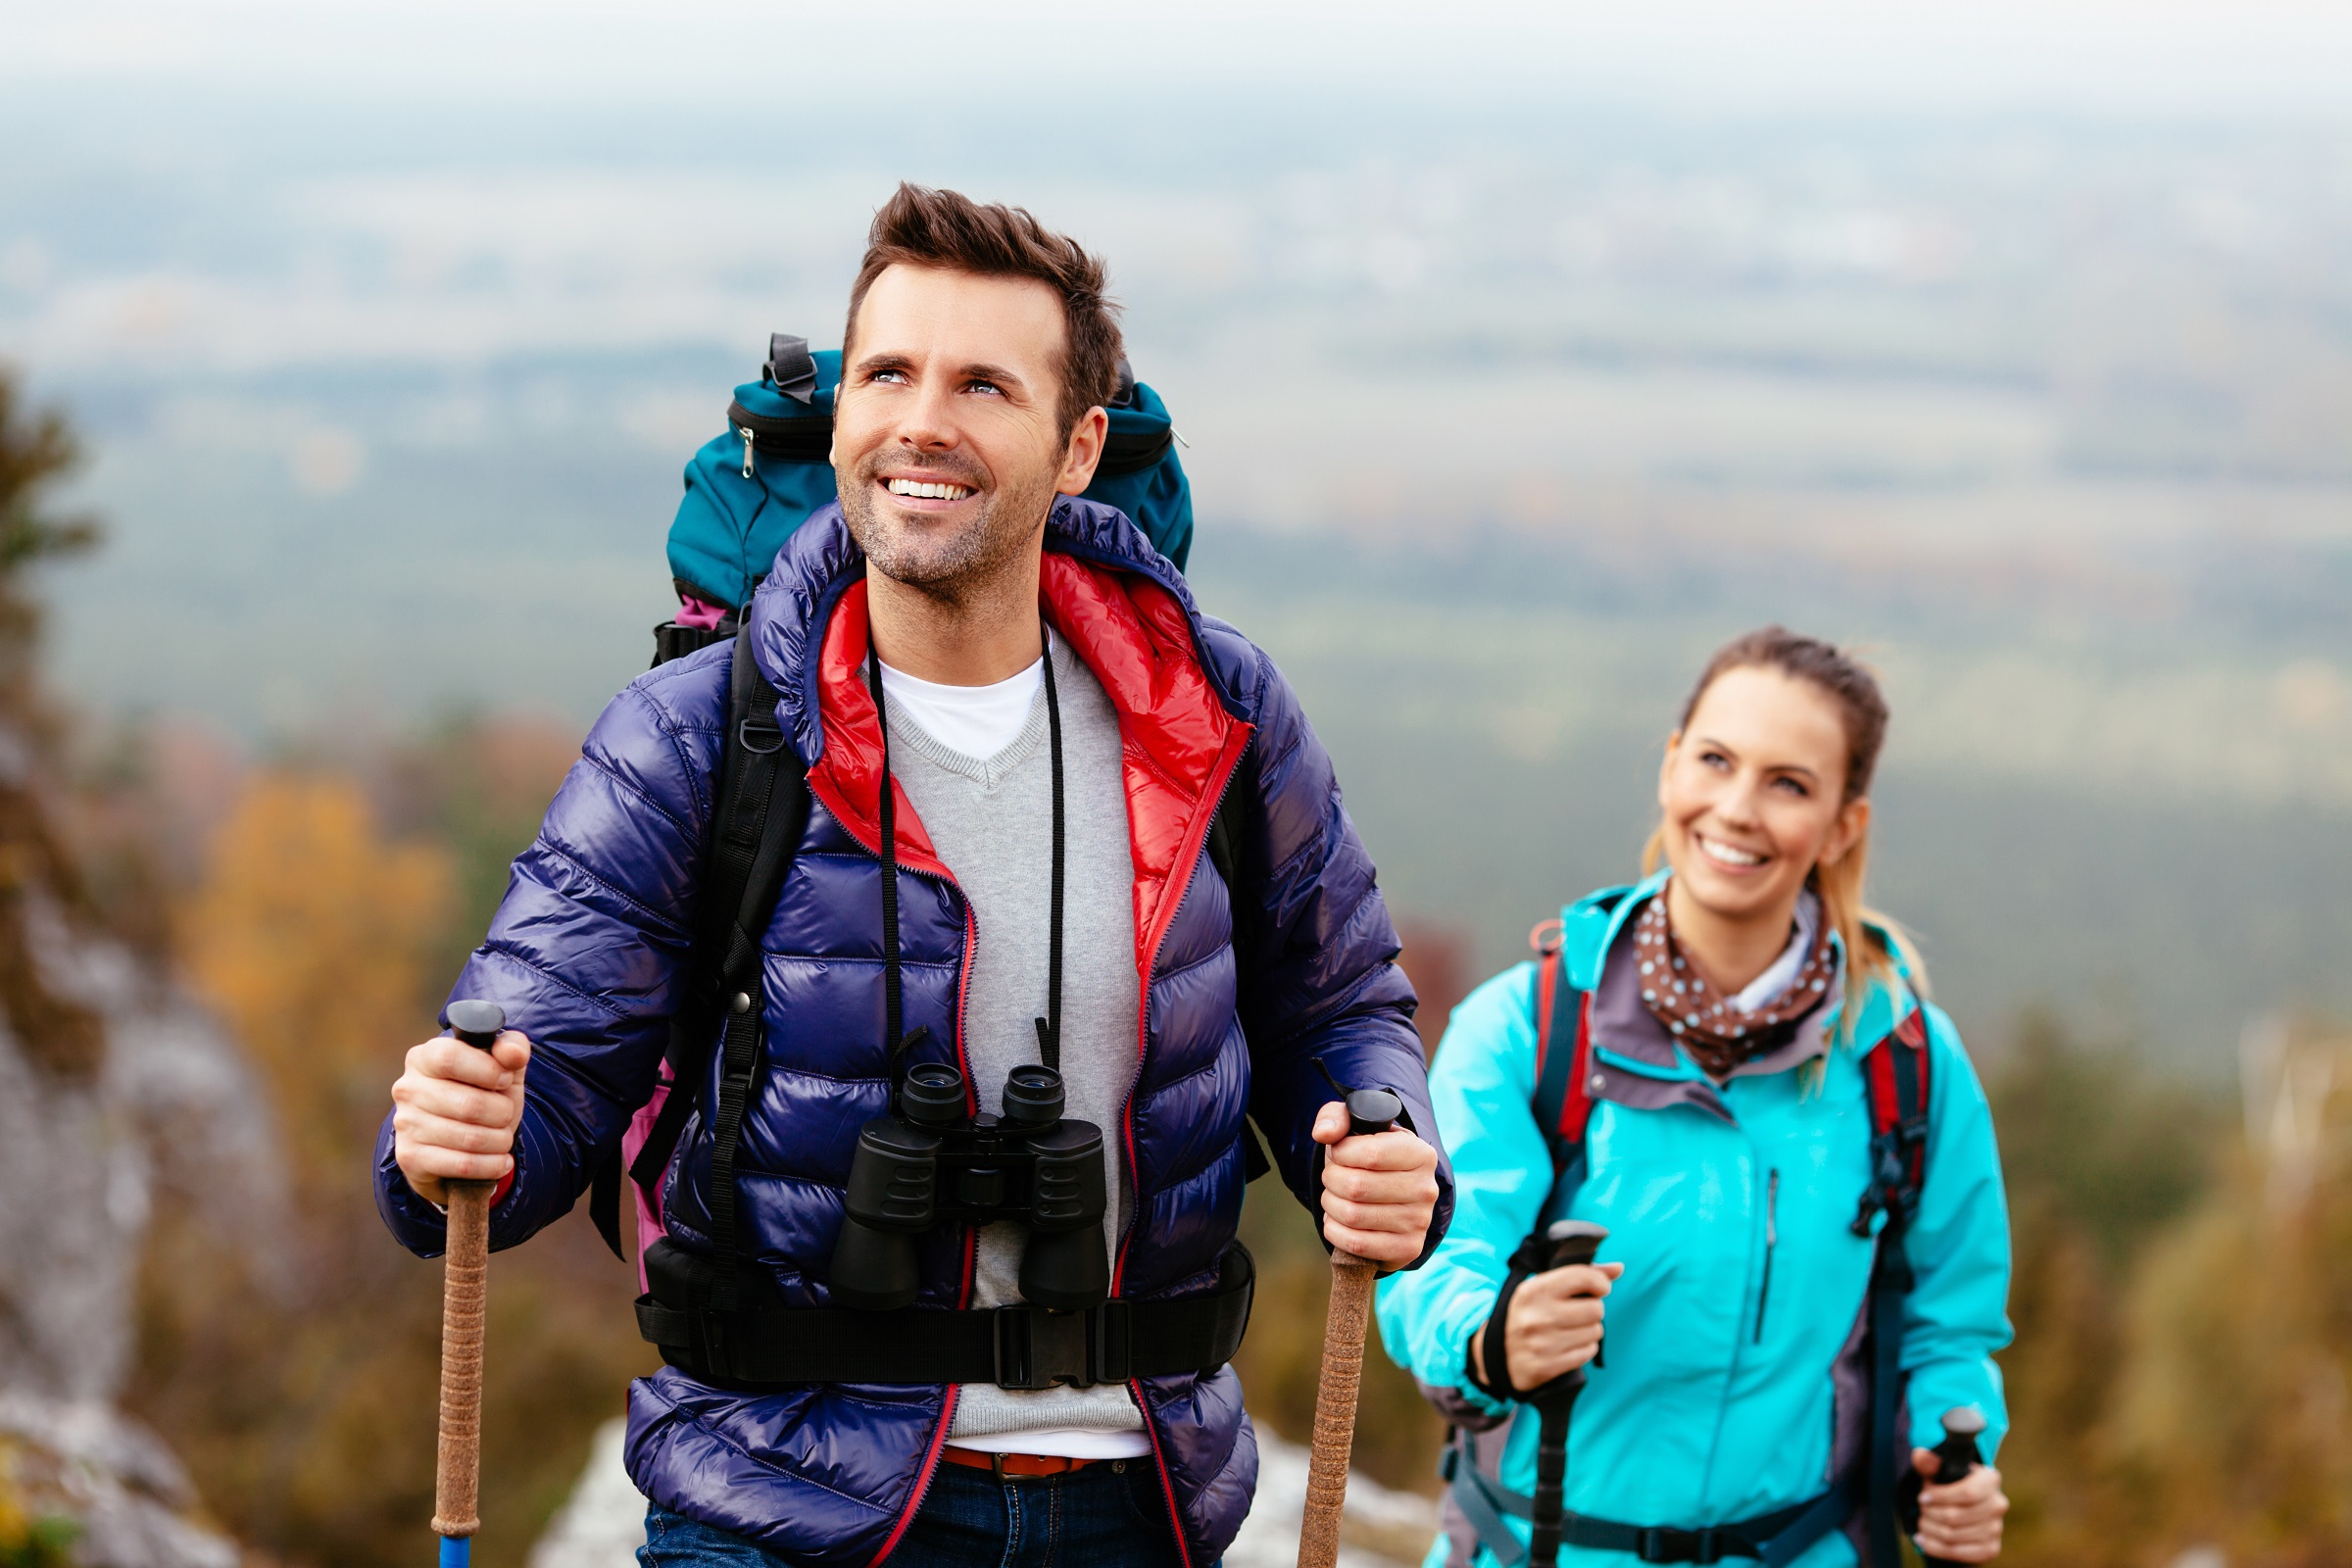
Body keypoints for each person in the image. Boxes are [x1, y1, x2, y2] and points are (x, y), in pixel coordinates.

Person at [375, 184, 1449, 1568]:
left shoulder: (1211, 710)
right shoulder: (702, 733)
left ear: (1076, 450)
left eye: (983, 385)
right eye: (888, 373)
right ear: (838, 422)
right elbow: (529, 1084)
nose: (921, 422)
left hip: (1143, 1501)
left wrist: (1387, 1133)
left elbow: (1340, 1004)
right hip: (779, 1501)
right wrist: (456, 1137)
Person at [1376, 629, 2012, 1567]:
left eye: (1789, 783)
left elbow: (1947, 1326)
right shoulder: (1526, 1027)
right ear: (1672, 769)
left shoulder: (1906, 1060)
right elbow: (1437, 1257)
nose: (1738, 808)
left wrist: (1950, 1467)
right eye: (1716, 761)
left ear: (1843, 826)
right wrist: (1490, 1337)